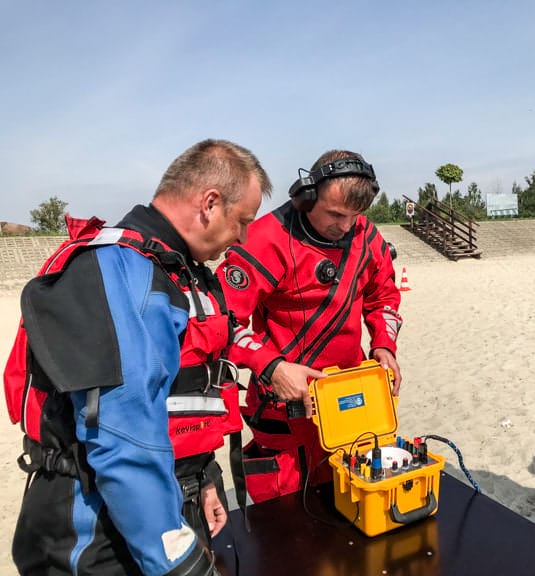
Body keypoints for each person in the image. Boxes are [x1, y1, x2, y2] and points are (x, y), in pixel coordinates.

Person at [4, 139, 271, 575]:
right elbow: (121, 437)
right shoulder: (119, 269)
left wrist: (198, 480)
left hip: (164, 501)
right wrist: (174, 554)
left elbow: (179, 398)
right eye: (241, 221)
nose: (242, 237)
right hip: (96, 521)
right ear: (209, 203)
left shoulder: (176, 269)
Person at [216, 149, 402, 503]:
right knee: (287, 527)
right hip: (284, 412)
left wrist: (384, 345)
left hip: (352, 404)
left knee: (356, 506)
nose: (345, 226)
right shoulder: (264, 240)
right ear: (306, 198)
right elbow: (222, 319)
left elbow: (384, 297)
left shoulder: (366, 236)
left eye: (355, 216)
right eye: (335, 214)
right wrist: (270, 367)